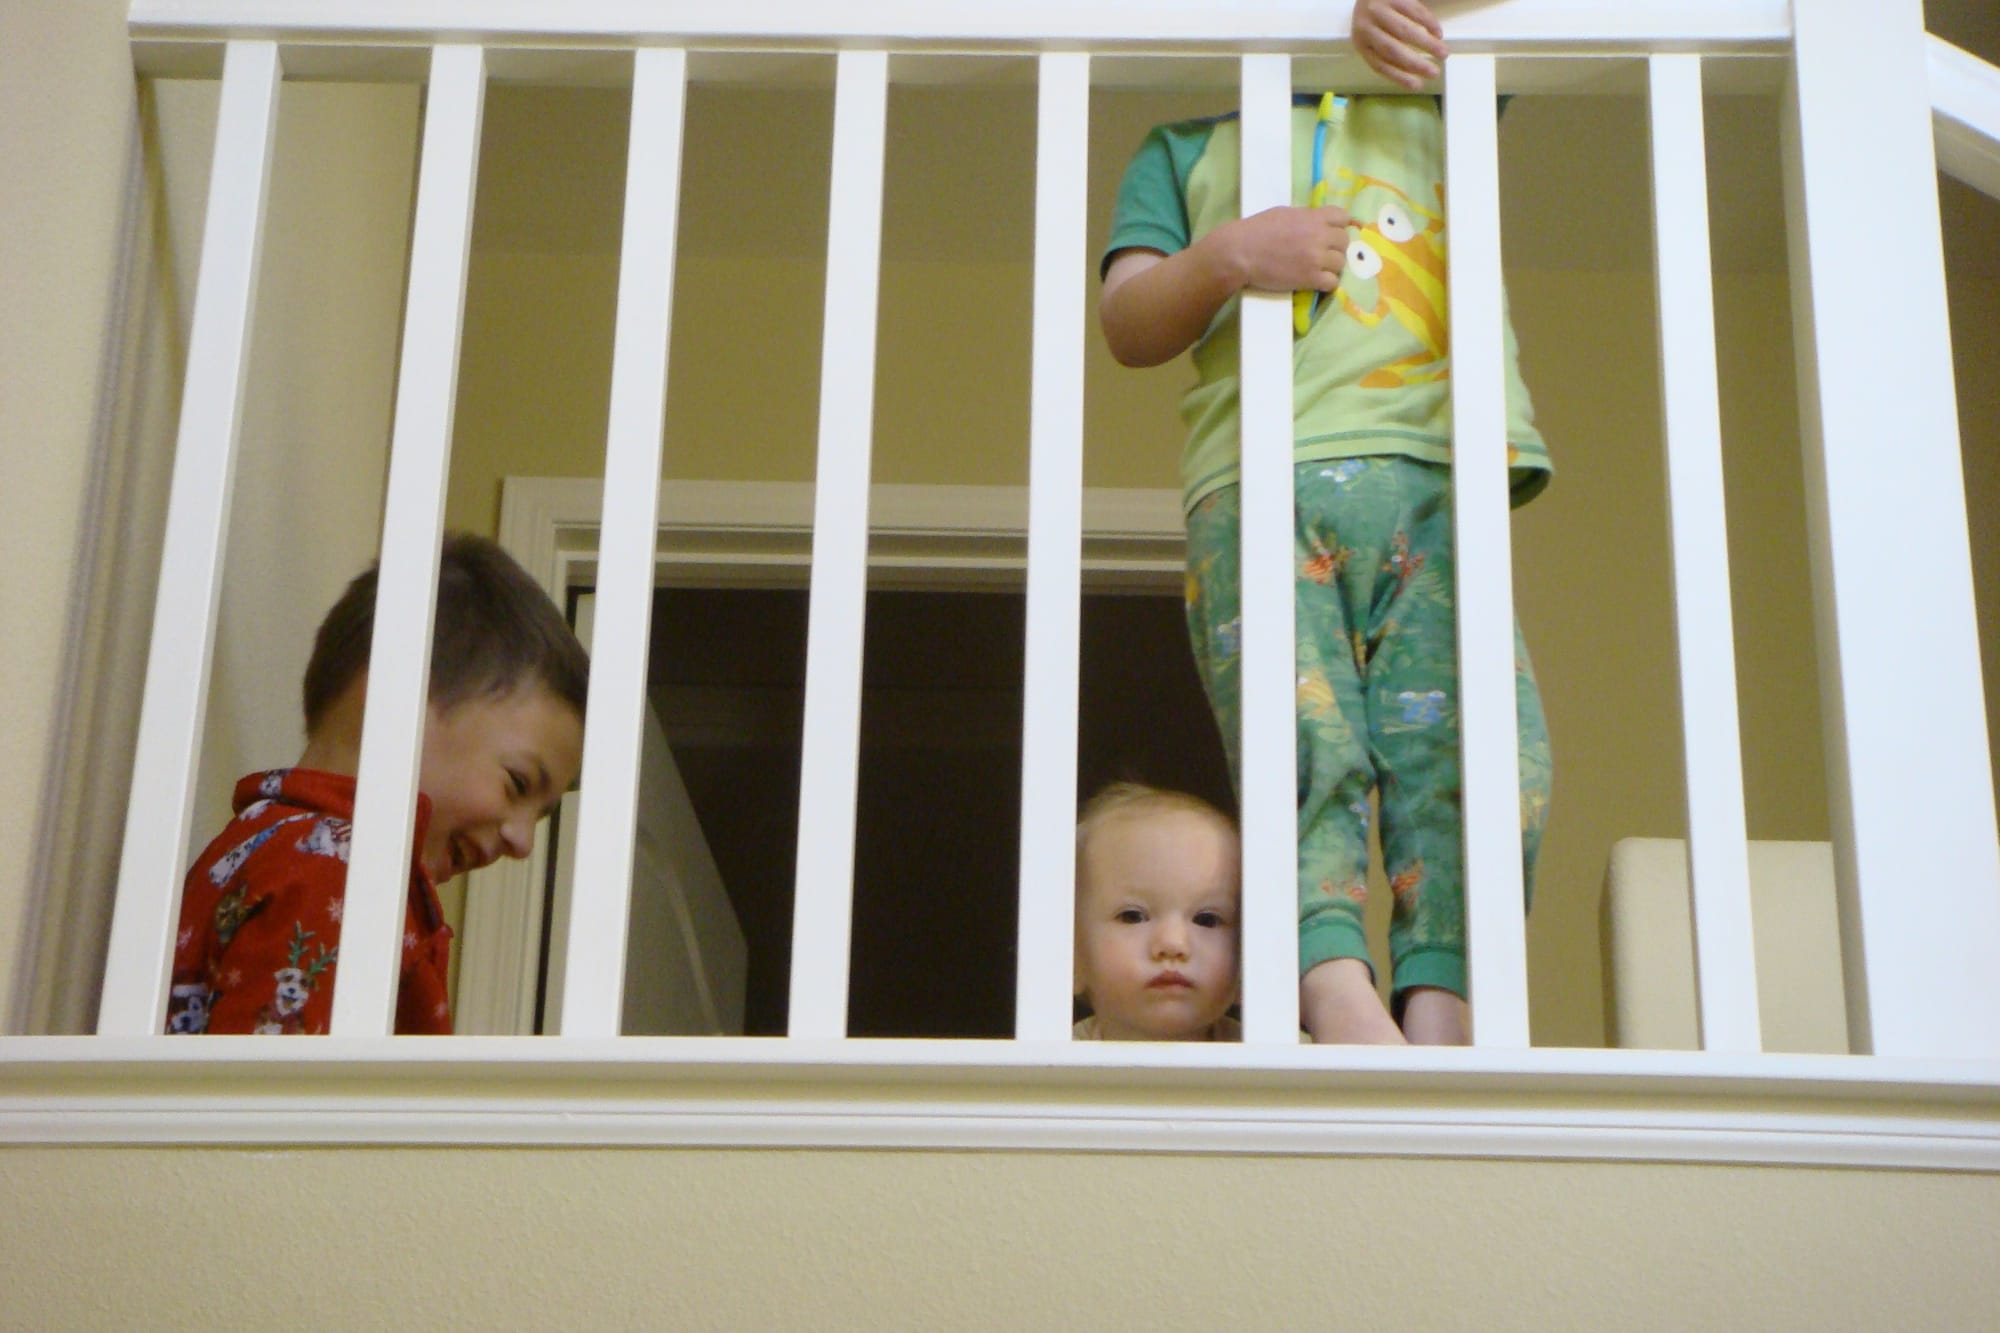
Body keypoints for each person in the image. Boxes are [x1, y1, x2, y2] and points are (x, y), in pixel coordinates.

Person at [1097, 0, 1553, 1045]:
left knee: (1485, 747)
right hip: (1261, 485)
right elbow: (1128, 321)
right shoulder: (1178, 148)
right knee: (1308, 741)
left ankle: (1440, 990)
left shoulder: (1428, 86)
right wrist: (1225, 259)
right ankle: (1330, 977)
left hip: (1434, 477)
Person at [163, 533, 588, 1035]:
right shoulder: (340, 874)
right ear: (395, 697)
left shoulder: (272, 843)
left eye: (540, 815)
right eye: (518, 784)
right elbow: (271, 1105)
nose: (522, 841)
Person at [1072, 783, 1242, 1042]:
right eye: (1132, 916)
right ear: (1072, 958)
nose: (1173, 944)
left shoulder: (1297, 1066)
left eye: (1206, 919)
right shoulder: (1044, 1068)